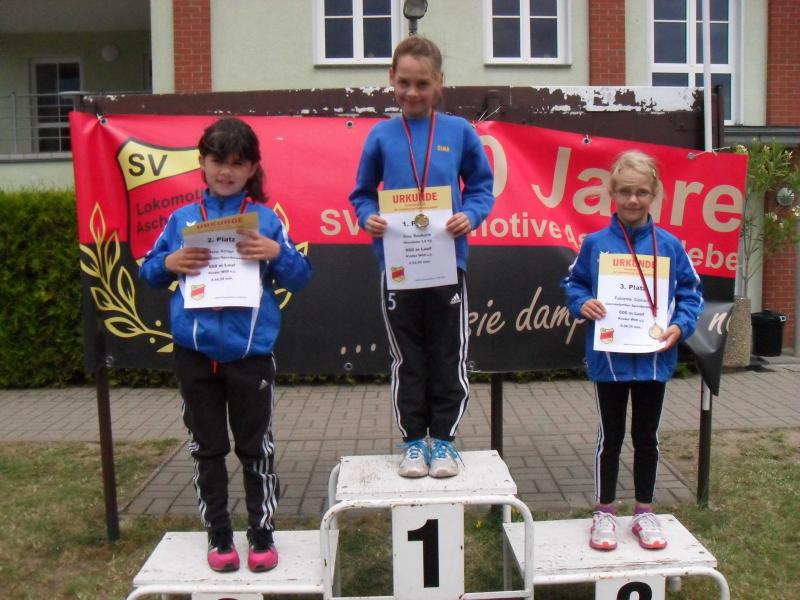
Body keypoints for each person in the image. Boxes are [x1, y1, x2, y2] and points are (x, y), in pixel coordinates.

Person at [140, 118, 312, 572]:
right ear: (202, 162)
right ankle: (218, 535)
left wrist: (277, 253)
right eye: (218, 161)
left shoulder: (266, 221)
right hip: (195, 355)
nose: (226, 171)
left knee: (256, 449)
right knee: (206, 448)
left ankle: (262, 533)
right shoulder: (181, 219)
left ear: (252, 168)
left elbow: (300, 277)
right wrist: (171, 262)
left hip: (250, 355)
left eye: (237, 163)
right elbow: (148, 271)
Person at [349, 36, 495, 479]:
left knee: (448, 354)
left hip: (447, 263)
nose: (412, 93)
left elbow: (481, 188)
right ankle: (414, 441)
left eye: (423, 84)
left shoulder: (459, 132)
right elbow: (361, 195)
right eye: (405, 83)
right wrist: (368, 217)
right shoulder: (380, 135)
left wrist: (470, 215)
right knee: (408, 358)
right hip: (398, 267)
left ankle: (444, 440)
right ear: (391, 79)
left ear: (439, 83)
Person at [562, 150, 703, 551]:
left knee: (647, 437)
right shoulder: (595, 243)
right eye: (625, 191)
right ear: (612, 193)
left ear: (654, 194)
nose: (633, 200)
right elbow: (573, 284)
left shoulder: (670, 246)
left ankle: (644, 511)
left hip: (654, 360)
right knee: (610, 437)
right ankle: (604, 512)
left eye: (641, 192)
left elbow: (691, 294)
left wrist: (680, 325)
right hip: (610, 359)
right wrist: (582, 303)